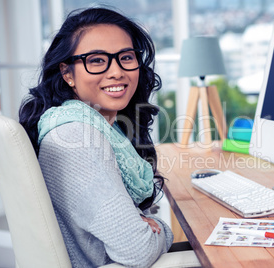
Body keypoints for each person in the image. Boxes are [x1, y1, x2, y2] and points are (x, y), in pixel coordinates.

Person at [19, 7, 195, 268]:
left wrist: (139, 225)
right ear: (68, 74)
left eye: (126, 57)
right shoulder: (76, 137)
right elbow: (138, 252)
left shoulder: (103, 128)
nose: (117, 72)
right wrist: (160, 228)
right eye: (97, 60)